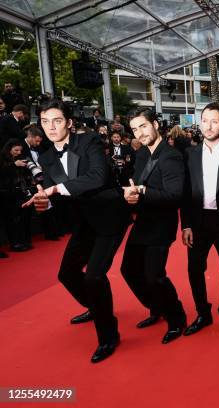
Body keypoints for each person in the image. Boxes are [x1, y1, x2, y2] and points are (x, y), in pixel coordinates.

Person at [21, 98, 131, 363]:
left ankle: (108, 336)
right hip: (83, 222)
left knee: (94, 276)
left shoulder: (90, 141)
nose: (51, 127)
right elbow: (51, 193)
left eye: (57, 120)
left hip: (109, 217)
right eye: (45, 122)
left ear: (69, 123)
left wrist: (56, 189)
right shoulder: (47, 157)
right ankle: (95, 306)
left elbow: (97, 177)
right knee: (67, 273)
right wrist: (43, 202)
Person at [120, 107, 187, 344]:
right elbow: (136, 184)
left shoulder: (171, 156)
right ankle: (157, 306)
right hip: (142, 222)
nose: (140, 132)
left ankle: (177, 318)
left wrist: (143, 191)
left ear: (156, 125)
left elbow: (174, 195)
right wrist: (132, 195)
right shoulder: (140, 155)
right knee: (128, 270)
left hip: (161, 224)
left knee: (154, 276)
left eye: (143, 126)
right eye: (135, 129)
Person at [180, 103, 219, 337]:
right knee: (194, 269)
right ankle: (203, 313)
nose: (209, 125)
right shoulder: (189, 155)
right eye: (205, 120)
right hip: (198, 222)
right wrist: (185, 223)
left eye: (214, 121)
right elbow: (185, 192)